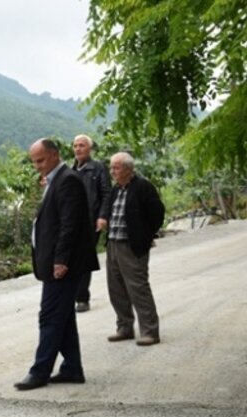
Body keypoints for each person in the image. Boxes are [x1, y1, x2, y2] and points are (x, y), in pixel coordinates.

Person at [14, 139, 99, 390]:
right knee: (63, 317)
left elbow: (69, 225)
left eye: (40, 160)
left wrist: (61, 260)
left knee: (50, 316)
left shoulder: (68, 180)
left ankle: (40, 371)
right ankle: (72, 368)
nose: (37, 166)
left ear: (53, 155)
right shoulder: (56, 180)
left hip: (63, 265)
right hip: (55, 263)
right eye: (34, 162)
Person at [97, 152, 166, 346]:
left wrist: (147, 235)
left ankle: (150, 331)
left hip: (132, 246)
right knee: (116, 288)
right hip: (113, 244)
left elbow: (157, 213)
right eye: (111, 168)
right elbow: (107, 209)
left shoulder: (143, 187)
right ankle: (125, 327)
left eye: (116, 168)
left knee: (138, 288)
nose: (112, 171)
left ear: (128, 169)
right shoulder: (116, 189)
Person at [71, 134, 111, 313]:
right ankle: (72, 296)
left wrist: (102, 216)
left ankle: (82, 298)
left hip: (91, 221)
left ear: (90, 149)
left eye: (82, 145)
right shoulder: (71, 171)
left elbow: (106, 193)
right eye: (75, 146)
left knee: (84, 258)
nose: (78, 149)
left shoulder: (98, 168)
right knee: (71, 258)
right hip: (72, 223)